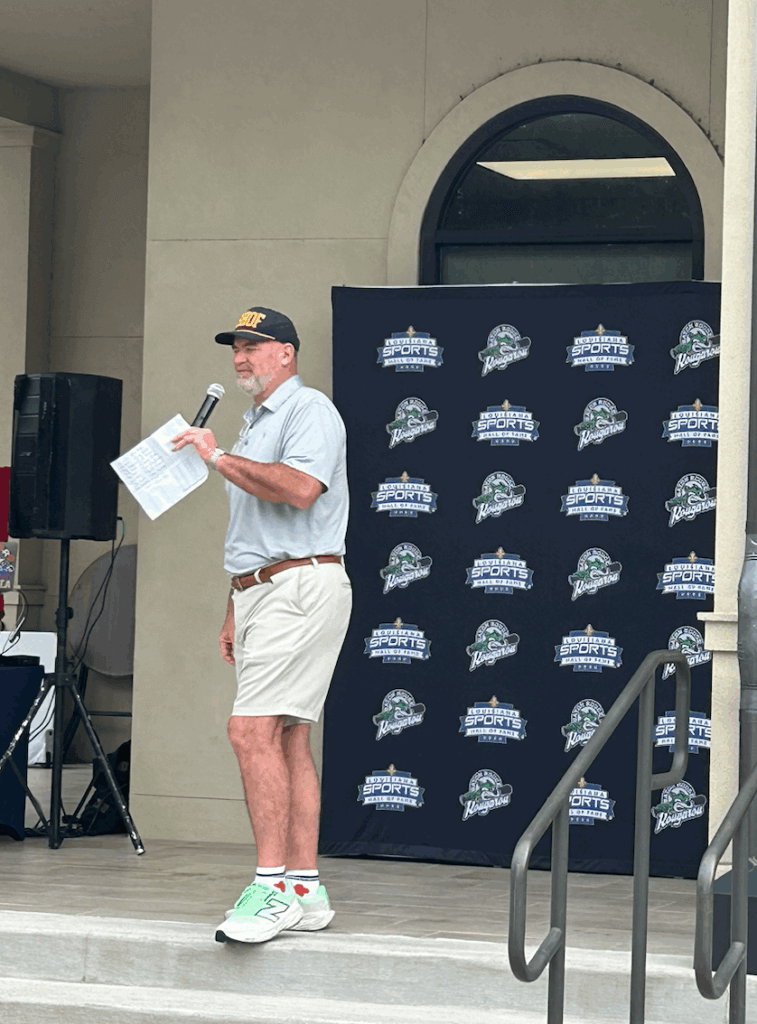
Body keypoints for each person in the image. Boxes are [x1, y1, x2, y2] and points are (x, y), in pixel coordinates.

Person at [171, 306, 352, 944]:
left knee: (250, 730)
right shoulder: (255, 422)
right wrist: (236, 599)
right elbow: (254, 528)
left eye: (254, 345)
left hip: (300, 586)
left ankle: (270, 889)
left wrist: (216, 457)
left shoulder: (309, 409)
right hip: (263, 590)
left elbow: (300, 489)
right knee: (287, 737)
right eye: (236, 347)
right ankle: (303, 888)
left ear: (286, 353)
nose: (241, 357)